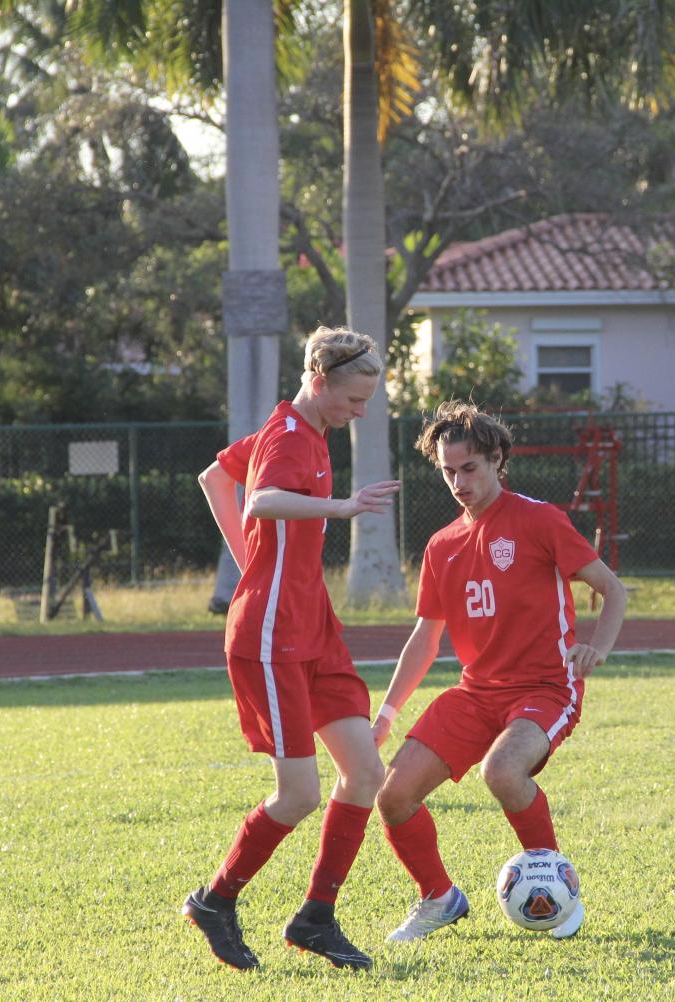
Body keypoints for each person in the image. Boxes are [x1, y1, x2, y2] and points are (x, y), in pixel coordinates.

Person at [185, 326, 400, 972]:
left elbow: (214, 477)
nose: (359, 413)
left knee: (364, 773)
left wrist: (248, 560)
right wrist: (340, 508)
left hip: (315, 628)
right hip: (272, 636)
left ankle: (315, 918)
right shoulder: (286, 436)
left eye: (366, 402)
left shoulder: (304, 430)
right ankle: (214, 900)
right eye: (353, 400)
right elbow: (265, 498)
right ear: (318, 380)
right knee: (299, 794)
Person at [371, 401, 627, 942]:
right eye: (448, 471)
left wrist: (597, 648)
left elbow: (612, 589)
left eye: (469, 468)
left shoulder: (539, 520)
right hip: (476, 694)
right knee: (393, 796)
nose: (458, 482)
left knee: (502, 772)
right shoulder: (442, 546)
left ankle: (558, 887)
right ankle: (439, 898)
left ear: (496, 460)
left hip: (545, 689)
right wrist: (387, 713)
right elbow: (425, 637)